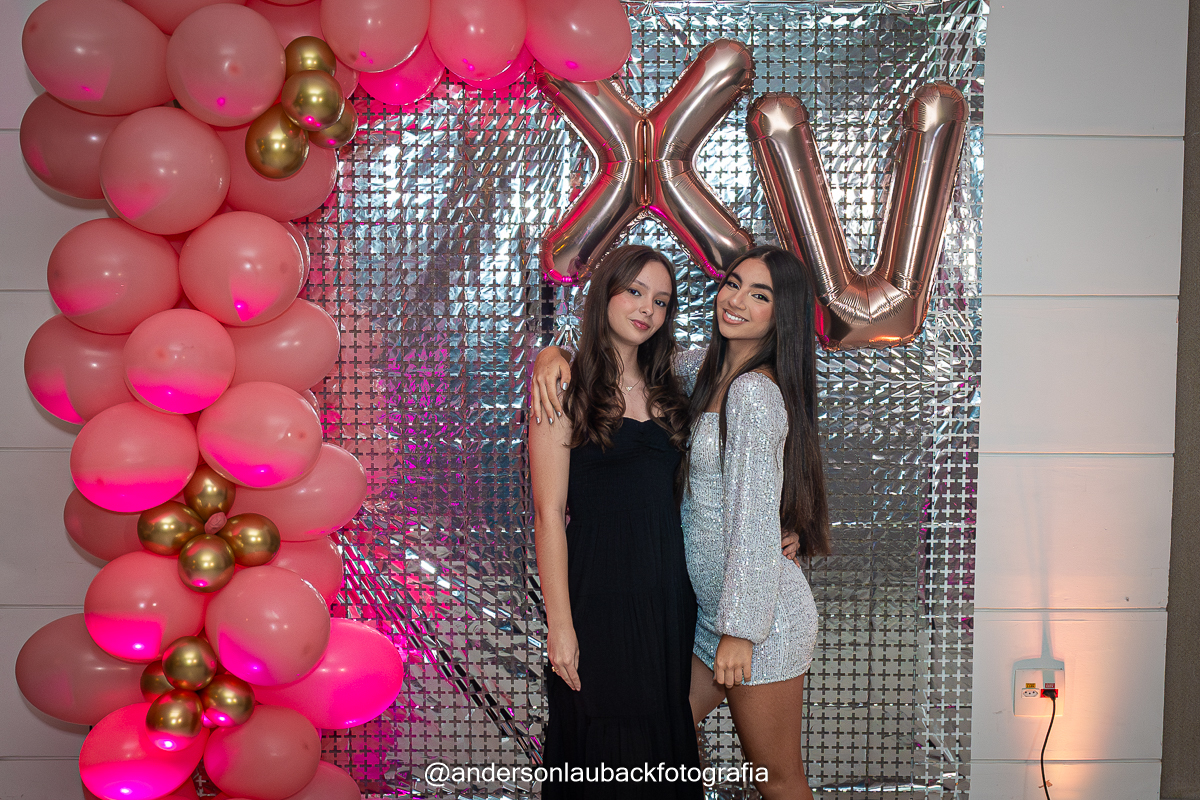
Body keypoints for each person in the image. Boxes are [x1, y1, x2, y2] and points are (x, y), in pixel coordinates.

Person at [532, 245, 830, 800]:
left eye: (759, 295)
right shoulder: (696, 376)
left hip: (751, 619)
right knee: (651, 746)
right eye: (733, 284)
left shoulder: (752, 391)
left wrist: (742, 628)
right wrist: (553, 353)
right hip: (696, 613)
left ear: (781, 314)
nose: (736, 301)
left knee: (776, 776)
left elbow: (752, 509)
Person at [529, 245, 702, 799]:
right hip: (597, 596)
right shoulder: (564, 386)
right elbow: (548, 515)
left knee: (660, 747)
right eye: (635, 292)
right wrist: (560, 625)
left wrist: (782, 530)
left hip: (666, 599)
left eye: (661, 301)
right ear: (606, 292)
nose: (648, 308)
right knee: (601, 749)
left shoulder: (673, 391)